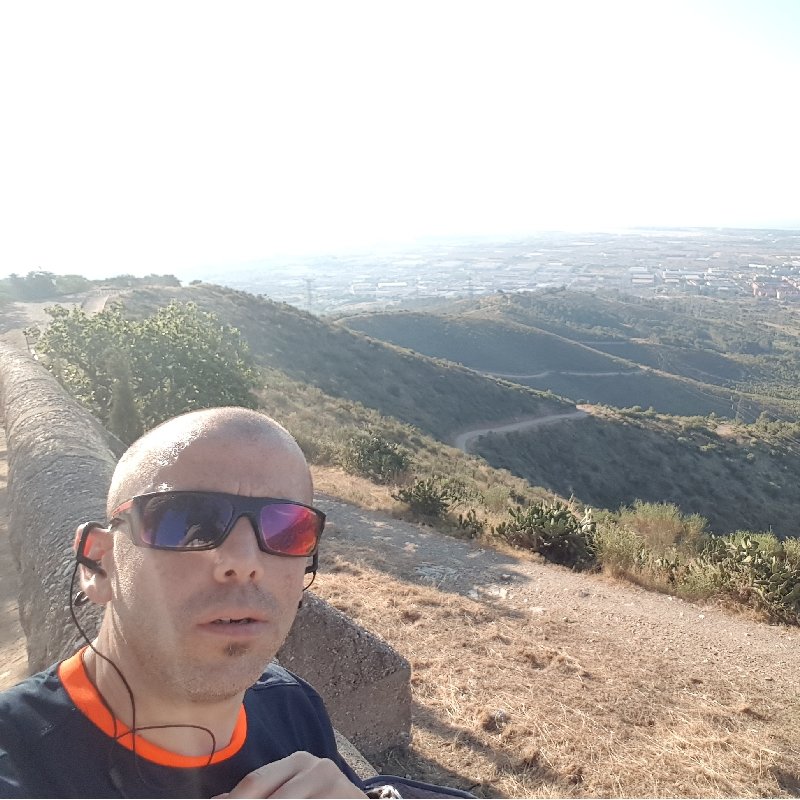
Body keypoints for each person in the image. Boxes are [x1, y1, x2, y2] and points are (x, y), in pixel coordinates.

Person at [0, 407, 464, 798]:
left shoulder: (290, 704)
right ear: (98, 564)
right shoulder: (17, 762)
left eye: (287, 530)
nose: (244, 562)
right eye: (186, 522)